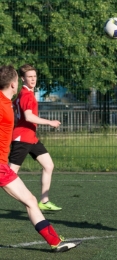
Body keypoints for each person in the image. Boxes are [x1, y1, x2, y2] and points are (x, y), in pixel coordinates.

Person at [0, 64, 81, 252]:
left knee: (30, 199)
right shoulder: (5, 106)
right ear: (14, 84)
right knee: (30, 200)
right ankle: (54, 242)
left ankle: (55, 242)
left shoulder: (9, 102)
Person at [8, 64, 62, 211]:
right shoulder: (27, 95)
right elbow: (29, 116)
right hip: (22, 138)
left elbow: (13, 108)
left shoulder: (21, 94)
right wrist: (50, 122)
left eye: (34, 76)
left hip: (31, 138)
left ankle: (44, 201)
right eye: (29, 77)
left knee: (48, 165)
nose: (33, 79)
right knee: (9, 175)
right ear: (23, 79)